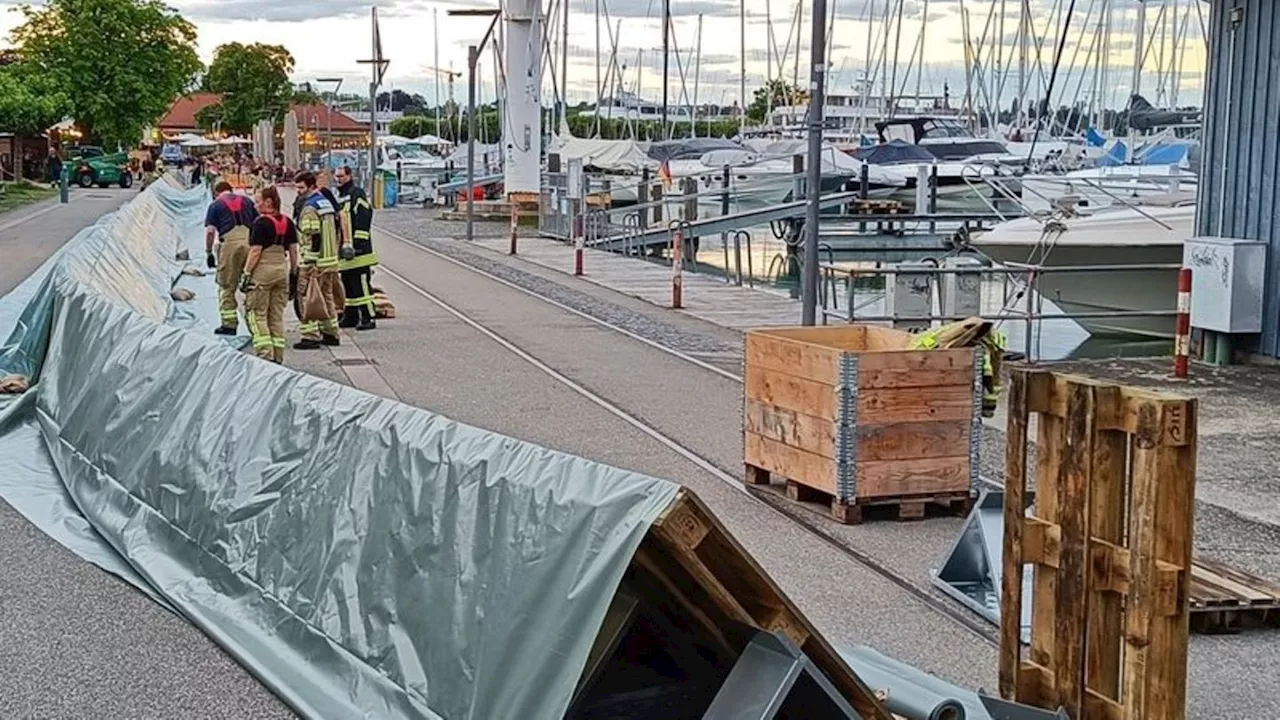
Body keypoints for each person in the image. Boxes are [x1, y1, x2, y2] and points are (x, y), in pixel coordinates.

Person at [241, 186, 300, 363]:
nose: (255, 205)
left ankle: (264, 356)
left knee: (256, 314)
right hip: (282, 271)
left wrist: (246, 274)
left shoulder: (260, 223)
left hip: (263, 273)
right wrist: (294, 272)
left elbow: (255, 251)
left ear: (268, 202)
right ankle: (278, 357)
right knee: (275, 316)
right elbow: (294, 251)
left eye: (258, 201)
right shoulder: (287, 222)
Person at [293, 170, 344, 349]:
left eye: (301, 187)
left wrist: (310, 262)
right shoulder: (326, 203)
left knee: (308, 298)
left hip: (315, 262)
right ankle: (331, 333)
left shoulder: (309, 208)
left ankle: (310, 335)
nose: (298, 191)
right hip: (330, 260)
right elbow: (337, 228)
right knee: (327, 297)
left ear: (311, 186)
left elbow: (314, 236)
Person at [204, 180, 259, 335]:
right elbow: (258, 223)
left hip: (229, 245)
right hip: (250, 243)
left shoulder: (215, 205)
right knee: (250, 284)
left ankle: (229, 324)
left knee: (226, 285)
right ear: (231, 190)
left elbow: (210, 231)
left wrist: (209, 252)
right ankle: (255, 323)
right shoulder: (247, 201)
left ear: (216, 193)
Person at [333, 165, 378, 330]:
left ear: (349, 176)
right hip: (345, 249)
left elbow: (363, 217)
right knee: (348, 283)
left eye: (341, 176)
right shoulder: (341, 196)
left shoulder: (356, 193)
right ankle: (351, 316)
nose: (338, 180)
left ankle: (368, 317)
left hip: (359, 250)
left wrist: (357, 244)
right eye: (337, 177)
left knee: (361, 283)